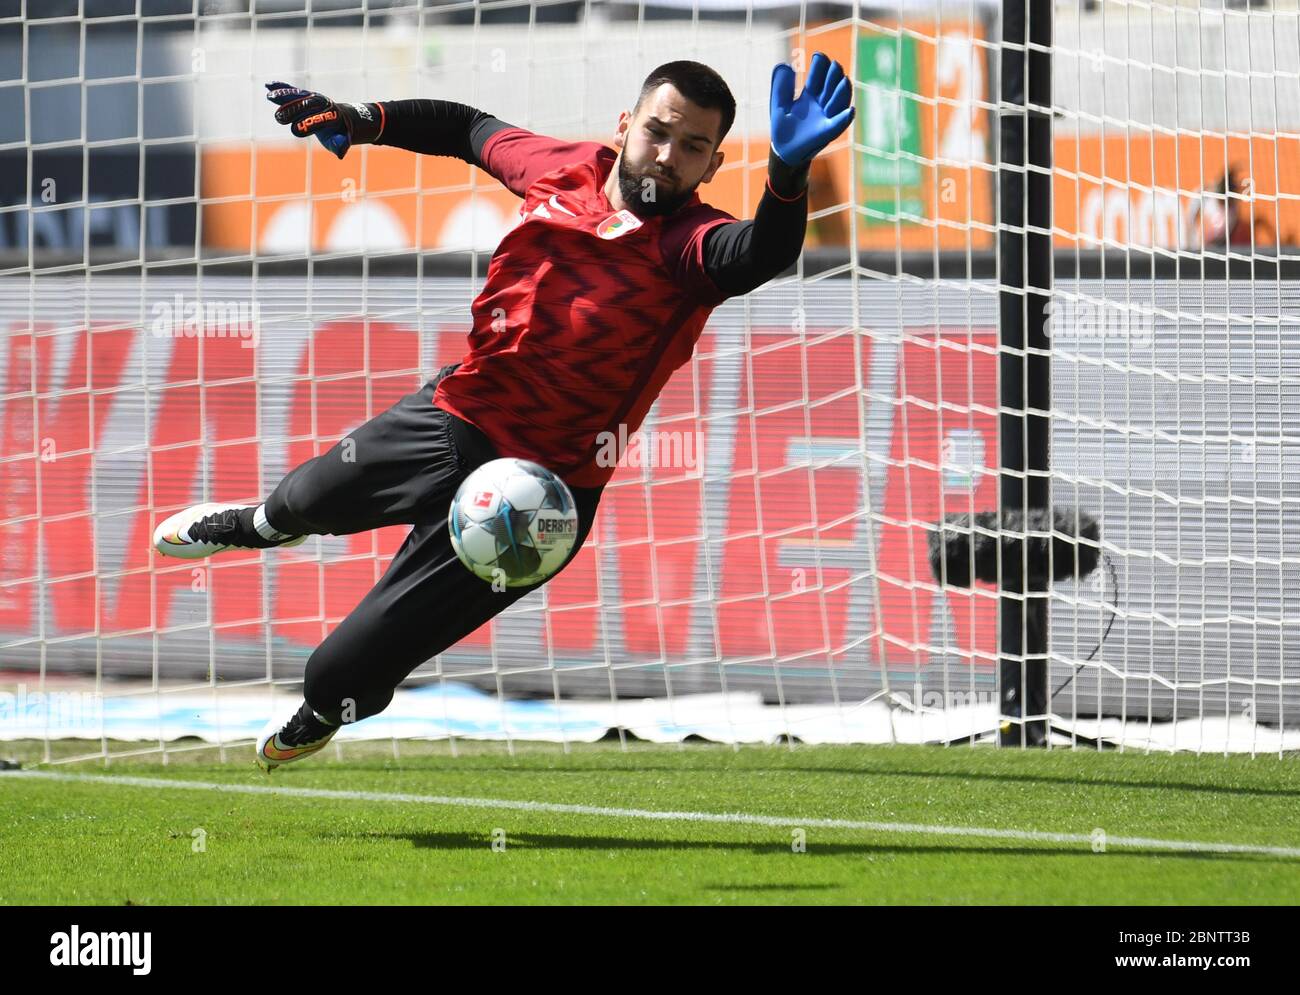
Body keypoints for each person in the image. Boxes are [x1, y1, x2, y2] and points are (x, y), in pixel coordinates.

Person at [152, 55, 855, 770]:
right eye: (658, 132)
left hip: (541, 497)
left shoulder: (689, 247)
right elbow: (465, 128)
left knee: (338, 675)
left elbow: (761, 250)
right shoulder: (563, 167)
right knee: (300, 500)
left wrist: (788, 175)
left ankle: (325, 708)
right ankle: (254, 526)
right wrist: (362, 120)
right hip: (453, 419)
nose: (668, 155)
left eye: (693, 147)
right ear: (626, 126)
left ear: (713, 167)